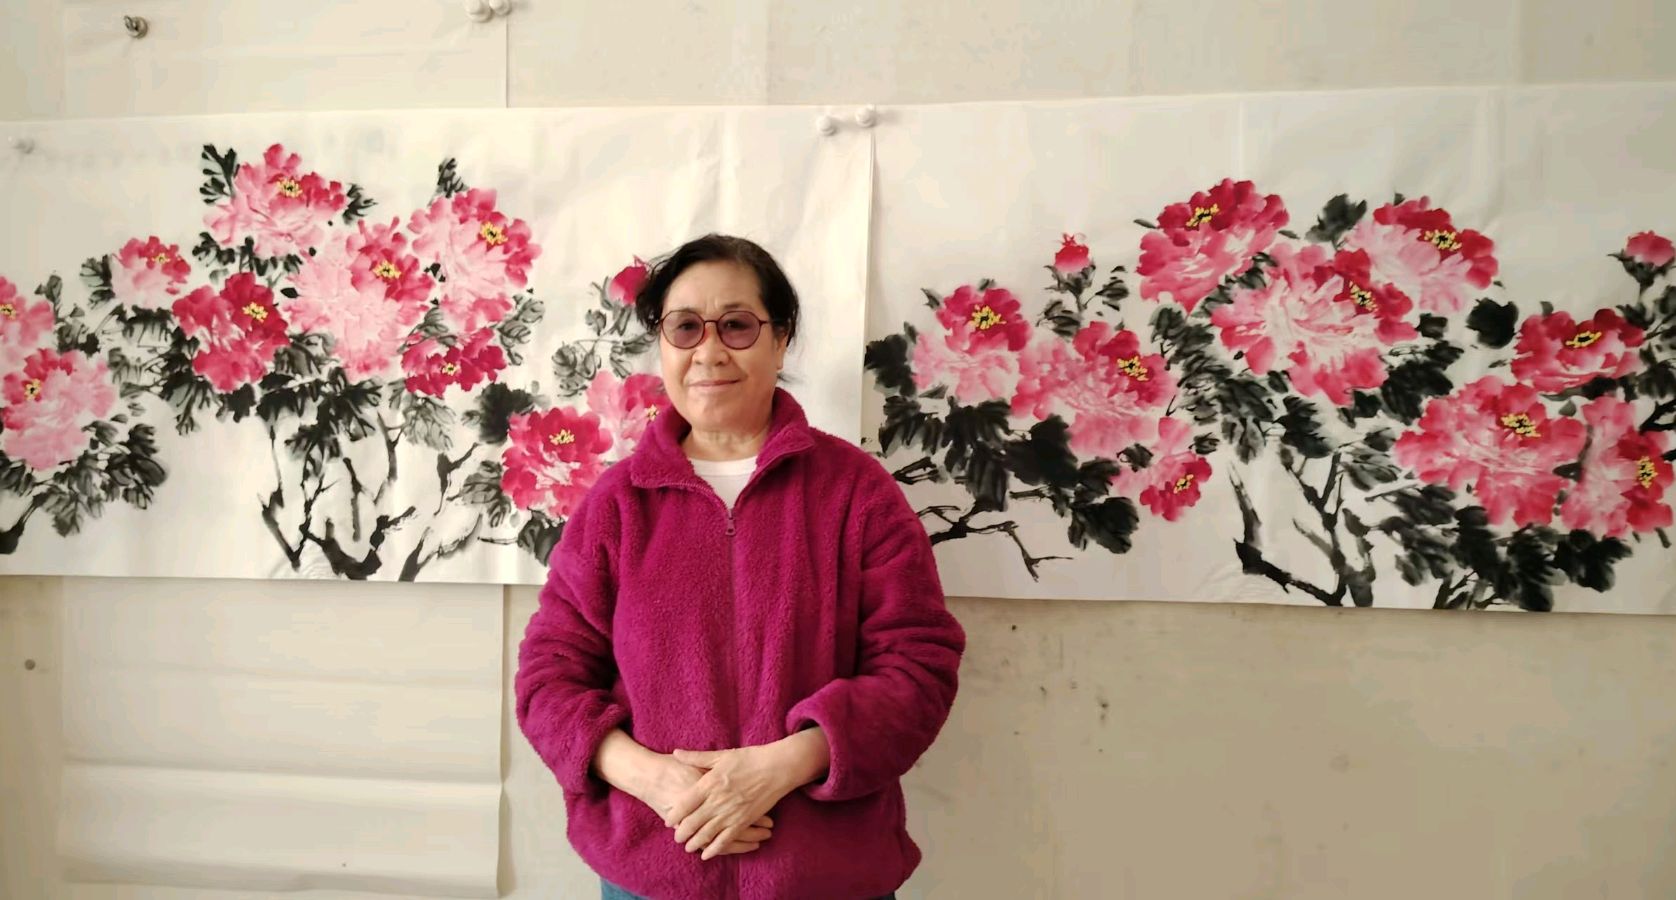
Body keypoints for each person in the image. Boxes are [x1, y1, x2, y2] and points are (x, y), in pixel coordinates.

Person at [515, 234, 966, 900]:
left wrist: (783, 766)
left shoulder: (855, 491)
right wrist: (654, 780)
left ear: (780, 339)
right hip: (651, 872)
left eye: (736, 325)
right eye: (685, 327)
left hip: (827, 878)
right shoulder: (616, 505)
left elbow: (918, 667)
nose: (709, 351)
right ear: (662, 345)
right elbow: (548, 679)